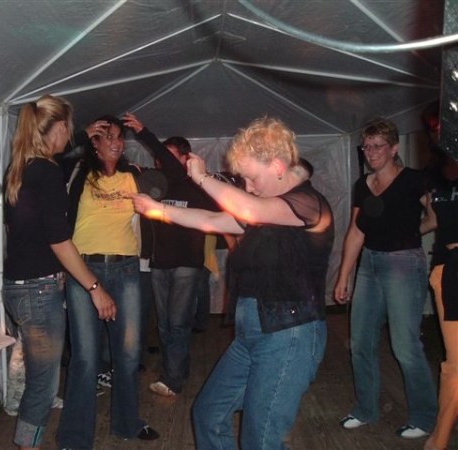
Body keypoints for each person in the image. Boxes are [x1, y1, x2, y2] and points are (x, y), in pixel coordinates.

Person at [129, 116, 334, 449]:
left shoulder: (310, 204)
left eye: (252, 178)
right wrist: (159, 210)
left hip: (289, 336)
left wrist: (202, 178)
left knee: (260, 440)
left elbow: (249, 209)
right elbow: (213, 218)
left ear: (278, 166)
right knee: (208, 414)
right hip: (251, 334)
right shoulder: (262, 210)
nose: (248, 187)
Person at [2, 95, 116, 450]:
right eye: (69, 128)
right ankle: (28, 446)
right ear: (60, 127)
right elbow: (58, 239)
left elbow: (26, 233)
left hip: (18, 286)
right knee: (43, 386)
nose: (69, 136)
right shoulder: (46, 172)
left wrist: (82, 135)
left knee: (39, 382)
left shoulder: (20, 168)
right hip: (37, 292)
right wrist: (95, 287)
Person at [55, 115, 159, 450]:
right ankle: (74, 437)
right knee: (85, 358)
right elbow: (50, 158)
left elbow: (173, 173)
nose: (116, 142)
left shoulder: (133, 176)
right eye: (108, 136)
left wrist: (146, 134)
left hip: (126, 270)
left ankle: (127, 423)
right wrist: (81, 136)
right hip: (84, 270)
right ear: (95, 143)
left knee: (127, 356)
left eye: (120, 137)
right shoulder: (78, 174)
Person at [334, 117, 438, 439]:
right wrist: (343, 276)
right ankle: (366, 409)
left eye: (378, 145)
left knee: (404, 345)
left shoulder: (414, 180)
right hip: (369, 264)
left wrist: (410, 233)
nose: (371, 152)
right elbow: (356, 232)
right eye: (367, 146)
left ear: (394, 148)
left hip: (403, 264)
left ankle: (424, 417)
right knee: (360, 342)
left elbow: (436, 218)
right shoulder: (362, 185)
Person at [124, 113, 217, 397]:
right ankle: (176, 370)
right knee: (165, 324)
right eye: (161, 157)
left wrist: (145, 133)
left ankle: (173, 379)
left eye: (170, 156)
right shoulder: (158, 182)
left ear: (186, 159)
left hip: (187, 264)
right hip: (160, 263)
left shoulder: (198, 186)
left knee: (177, 322)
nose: (161, 161)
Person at [420, 105, 458, 450]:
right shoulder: (432, 175)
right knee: (455, 364)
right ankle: (439, 439)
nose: (439, 131)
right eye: (434, 127)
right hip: (448, 271)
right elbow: (432, 220)